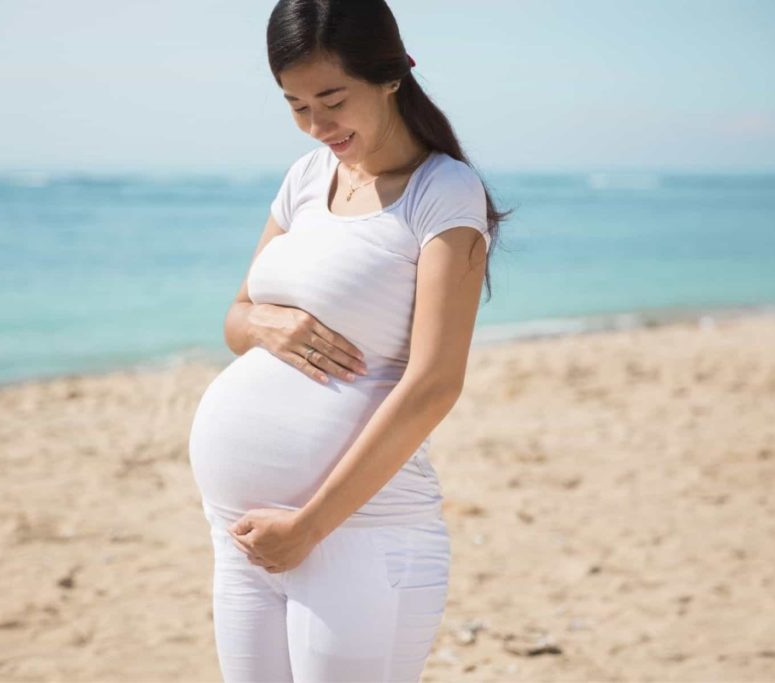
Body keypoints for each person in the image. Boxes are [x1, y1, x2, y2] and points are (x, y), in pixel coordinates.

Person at [187, 1, 511, 680]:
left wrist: (309, 524)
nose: (316, 124)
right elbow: (236, 318)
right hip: (243, 536)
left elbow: (433, 383)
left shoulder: (443, 192)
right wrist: (266, 323)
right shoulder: (306, 179)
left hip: (357, 535)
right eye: (295, 104)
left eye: (331, 99)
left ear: (389, 74)